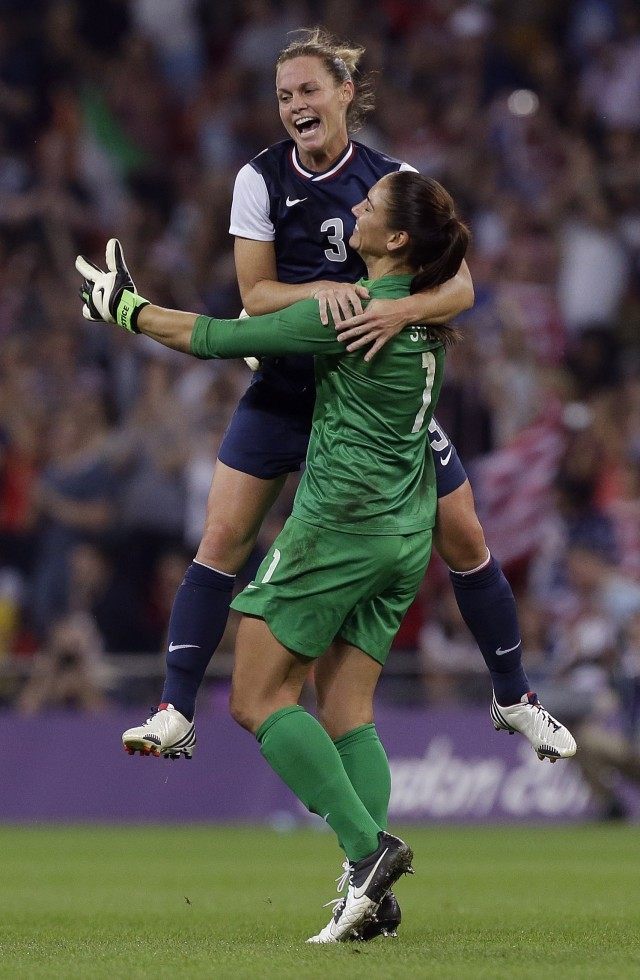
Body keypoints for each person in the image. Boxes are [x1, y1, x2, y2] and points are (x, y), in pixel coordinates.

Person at [76, 169, 576, 943]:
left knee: (255, 697)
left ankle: (368, 853)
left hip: (337, 530)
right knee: (348, 710)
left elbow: (213, 337)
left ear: (397, 240)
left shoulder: (348, 314)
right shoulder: (426, 315)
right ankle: (367, 899)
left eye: (371, 208)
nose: (357, 209)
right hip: (404, 539)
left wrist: (127, 309)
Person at [120, 29, 571, 771]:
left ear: (344, 96)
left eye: (308, 90)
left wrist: (397, 310)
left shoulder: (395, 180)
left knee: (465, 538)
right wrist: (333, 293)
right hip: (288, 386)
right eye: (284, 96)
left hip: (367, 399)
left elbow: (458, 282)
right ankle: (174, 709)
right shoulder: (259, 179)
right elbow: (255, 296)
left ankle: (512, 693)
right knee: (222, 538)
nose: (296, 105)